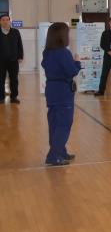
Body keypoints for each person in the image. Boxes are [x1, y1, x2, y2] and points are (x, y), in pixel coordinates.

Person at [41, 22, 81, 165]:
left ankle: (60, 151)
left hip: (51, 89)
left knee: (55, 123)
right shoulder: (63, 52)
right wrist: (77, 62)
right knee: (63, 124)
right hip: (63, 90)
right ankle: (54, 156)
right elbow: (72, 71)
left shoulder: (47, 52)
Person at [0, 13, 25, 103]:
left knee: (14, 79)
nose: (5, 22)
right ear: (0, 22)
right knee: (1, 79)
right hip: (1, 61)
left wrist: (20, 56)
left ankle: (14, 97)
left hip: (13, 60)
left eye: (7, 20)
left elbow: (19, 44)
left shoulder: (15, 32)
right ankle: (1, 97)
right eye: (3, 20)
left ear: (9, 21)